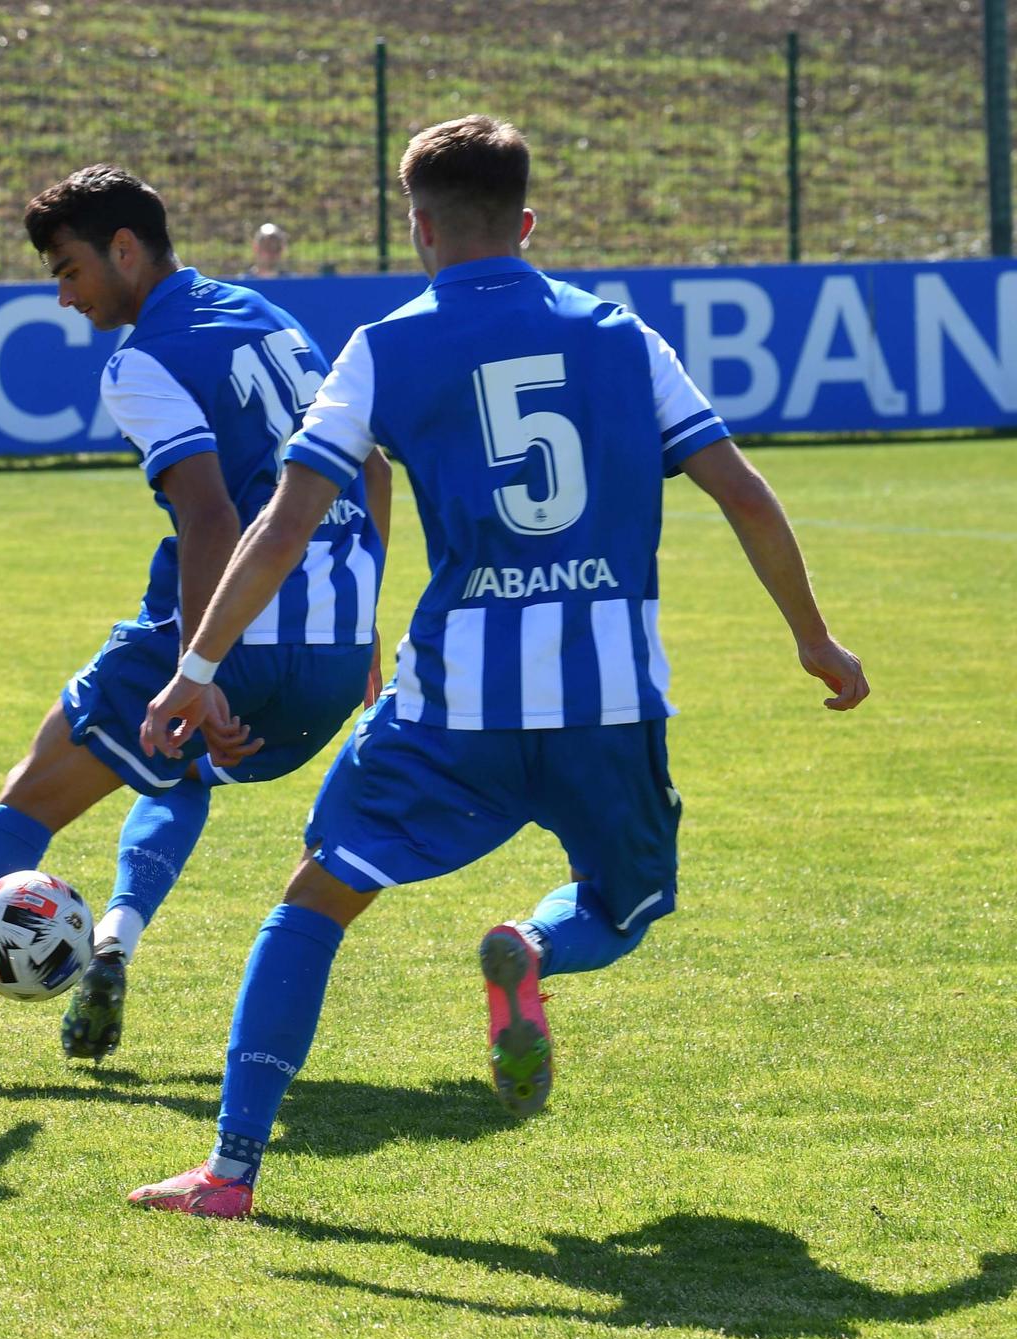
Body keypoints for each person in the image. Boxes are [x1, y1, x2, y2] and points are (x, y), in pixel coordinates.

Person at [126, 115, 869, 1218]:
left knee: (314, 898)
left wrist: (196, 663)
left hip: (451, 698)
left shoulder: (382, 345)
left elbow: (281, 522)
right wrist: (812, 637)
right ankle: (528, 945)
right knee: (623, 906)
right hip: (608, 696)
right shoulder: (621, 337)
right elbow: (743, 493)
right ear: (525, 222)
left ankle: (228, 1172)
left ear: (417, 229)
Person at [0, 166, 387, 1082]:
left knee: (27, 796)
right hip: (331, 664)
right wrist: (362, 634)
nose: (65, 292)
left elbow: (212, 519)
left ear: (125, 250)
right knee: (174, 771)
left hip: (241, 643)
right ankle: (115, 938)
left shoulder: (144, 359)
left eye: (71, 267)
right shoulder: (267, 318)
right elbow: (374, 470)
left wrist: (198, 671)